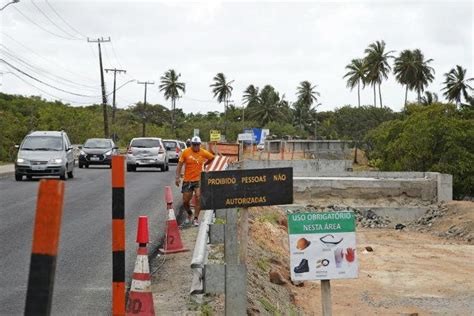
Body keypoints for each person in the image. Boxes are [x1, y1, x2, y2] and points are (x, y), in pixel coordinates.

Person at [175, 136, 214, 226]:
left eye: (198, 144)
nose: (196, 146)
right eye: (194, 144)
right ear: (191, 144)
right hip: (188, 180)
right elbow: (180, 164)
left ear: (200, 145)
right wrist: (177, 177)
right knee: (185, 201)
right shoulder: (186, 152)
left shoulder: (203, 152)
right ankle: (189, 213)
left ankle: (196, 218)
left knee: (198, 197)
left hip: (198, 179)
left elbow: (212, 158)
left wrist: (205, 165)